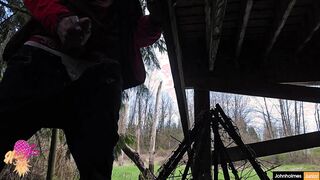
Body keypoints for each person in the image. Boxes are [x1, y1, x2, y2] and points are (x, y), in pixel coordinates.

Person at [0, 0, 162, 179]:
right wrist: (61, 20)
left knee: (98, 168)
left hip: (100, 78)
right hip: (42, 58)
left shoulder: (127, 8)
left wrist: (156, 21)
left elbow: (132, 36)